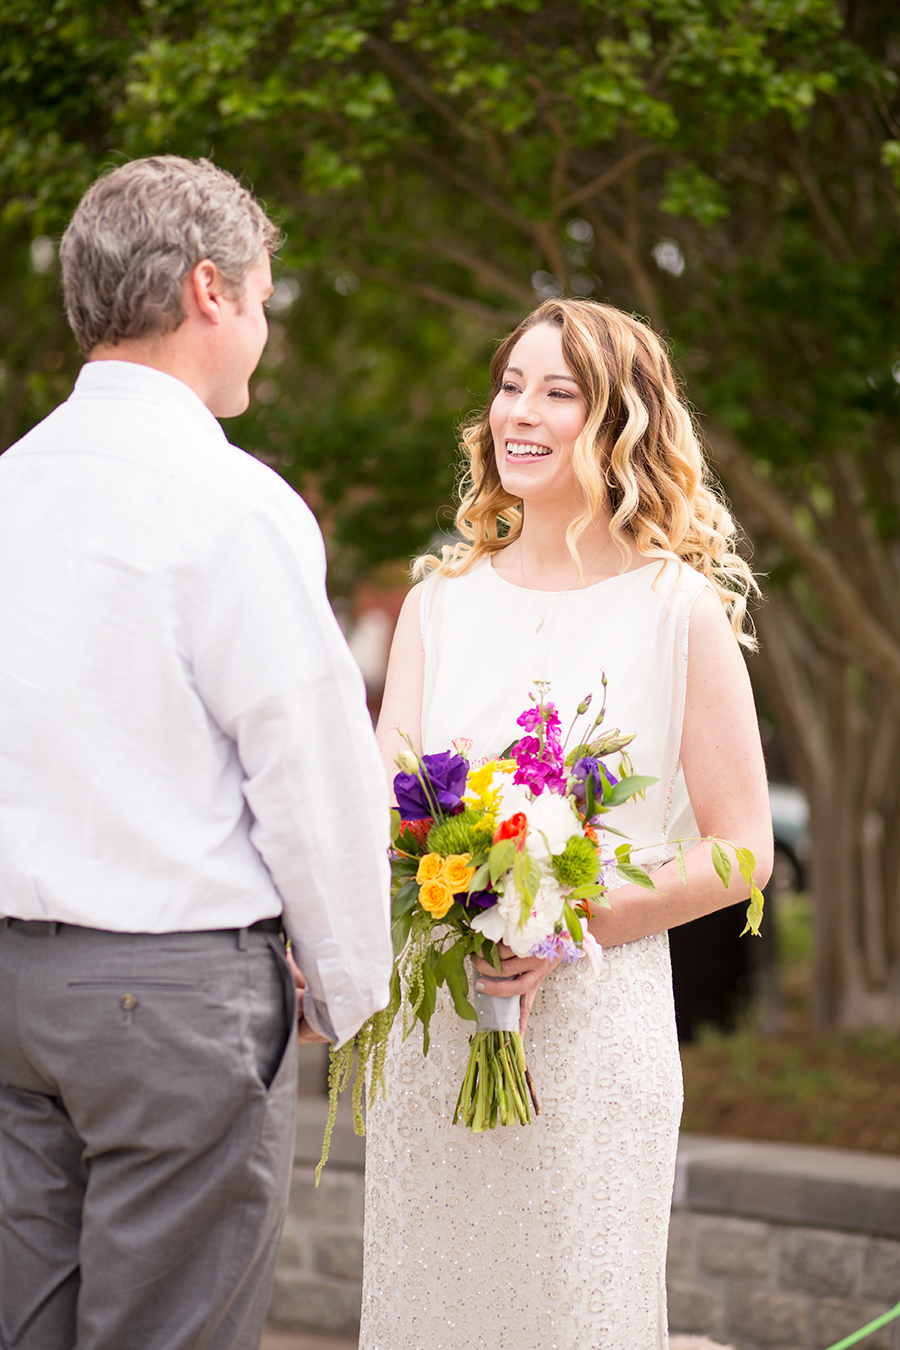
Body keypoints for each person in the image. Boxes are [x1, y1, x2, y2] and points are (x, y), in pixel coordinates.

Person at [0, 156, 393, 1350]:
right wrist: (350, 988)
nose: (264, 330)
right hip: (173, 1003)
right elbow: (308, 773)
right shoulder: (235, 505)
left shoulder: (9, 489)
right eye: (266, 301)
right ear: (210, 292)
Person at [361, 299, 773, 1349]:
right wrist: (445, 888)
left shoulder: (678, 611)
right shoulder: (436, 604)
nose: (521, 413)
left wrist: (566, 911)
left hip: (596, 1031)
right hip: (439, 1031)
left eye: (561, 391)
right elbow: (387, 810)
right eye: (509, 385)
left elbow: (740, 848)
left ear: (620, 421)